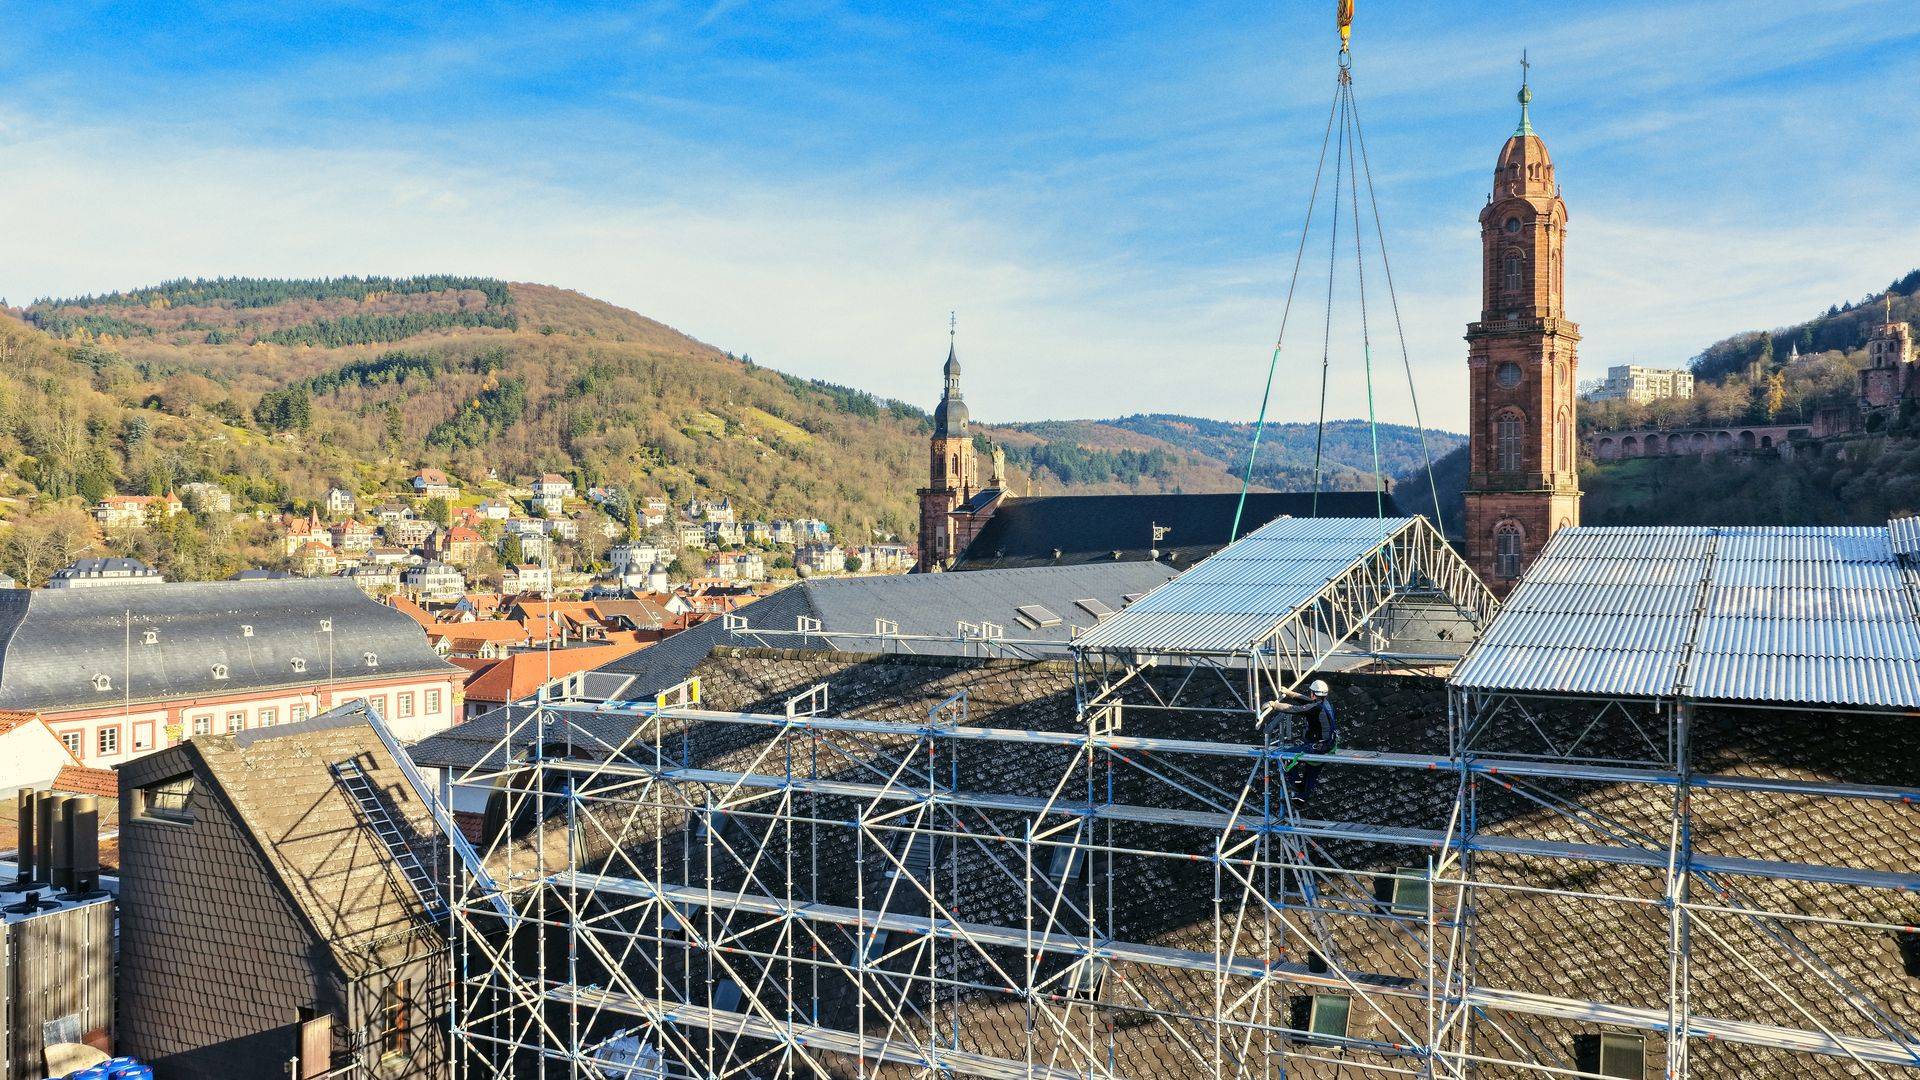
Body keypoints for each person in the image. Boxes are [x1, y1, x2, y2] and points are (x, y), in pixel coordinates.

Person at [1264, 680, 1336, 810]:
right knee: (1311, 773)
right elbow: (1306, 701)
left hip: (1318, 747)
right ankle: (1300, 800)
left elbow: (1294, 709)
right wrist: (1290, 693)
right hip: (1328, 745)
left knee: (1286, 756)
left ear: (1314, 694)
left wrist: (1274, 705)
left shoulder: (1316, 707)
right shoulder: (1324, 704)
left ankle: (1296, 783)